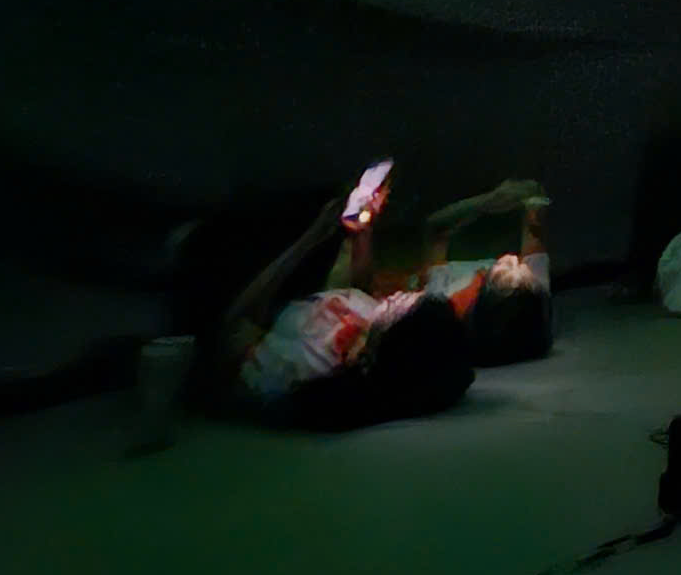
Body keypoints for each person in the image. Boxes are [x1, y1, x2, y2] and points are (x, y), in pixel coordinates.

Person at [215, 172, 544, 431]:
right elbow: (354, 292)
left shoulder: (303, 364)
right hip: (303, 288)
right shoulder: (378, 327)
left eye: (404, 302)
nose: (402, 293)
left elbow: (234, 327)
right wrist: (361, 234)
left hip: (259, 288)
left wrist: (309, 239)